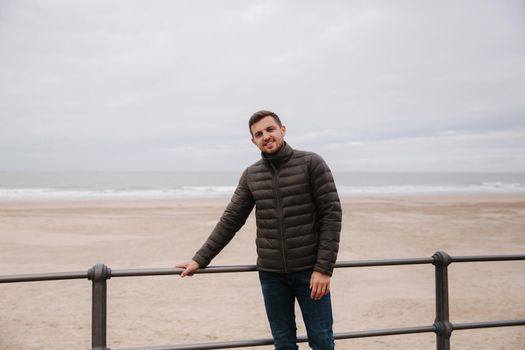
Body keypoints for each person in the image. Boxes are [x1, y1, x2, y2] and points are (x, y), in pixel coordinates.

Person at [176, 110, 342, 350]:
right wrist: (199, 259)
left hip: (310, 273)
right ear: (253, 141)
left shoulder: (311, 163)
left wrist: (323, 268)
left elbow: (331, 215)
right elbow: (231, 219)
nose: (266, 136)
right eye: (259, 134)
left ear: (282, 130)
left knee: (322, 342)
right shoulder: (251, 175)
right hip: (271, 275)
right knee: (283, 344)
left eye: (270, 130)